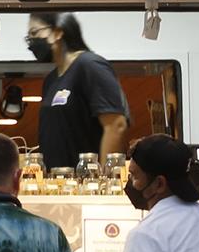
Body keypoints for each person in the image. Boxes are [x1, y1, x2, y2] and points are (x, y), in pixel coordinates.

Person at [25, 12, 128, 171]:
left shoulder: (89, 65)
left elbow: (116, 124)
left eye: (35, 33)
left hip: (85, 185)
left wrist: (104, 181)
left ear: (58, 32)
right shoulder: (51, 80)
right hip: (56, 183)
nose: (31, 41)